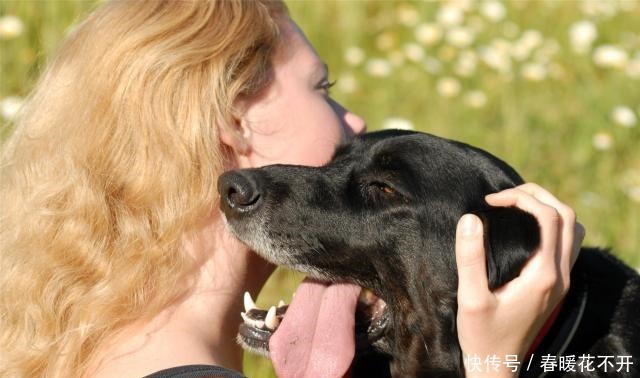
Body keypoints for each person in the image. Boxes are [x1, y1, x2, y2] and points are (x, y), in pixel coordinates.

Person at [0, 1, 583, 378]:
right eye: (322, 88)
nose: (354, 120)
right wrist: (493, 366)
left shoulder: (90, 346)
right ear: (231, 119)